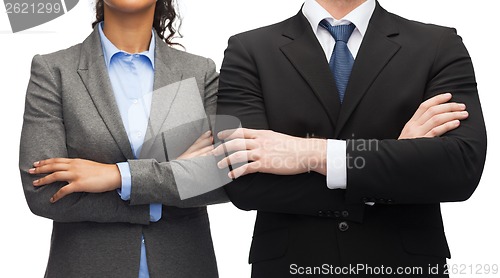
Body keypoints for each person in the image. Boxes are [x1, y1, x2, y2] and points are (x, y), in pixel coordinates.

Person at [214, 0, 487, 277]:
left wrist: (311, 153)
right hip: (291, 266)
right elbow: (245, 181)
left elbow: (459, 167)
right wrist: (398, 157)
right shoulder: (249, 49)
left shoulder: (438, 44)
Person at [19, 0, 227, 277]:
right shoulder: (54, 71)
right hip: (85, 267)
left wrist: (120, 176)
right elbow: (43, 192)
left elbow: (226, 176)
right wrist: (173, 179)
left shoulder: (199, 73)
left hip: (184, 265)